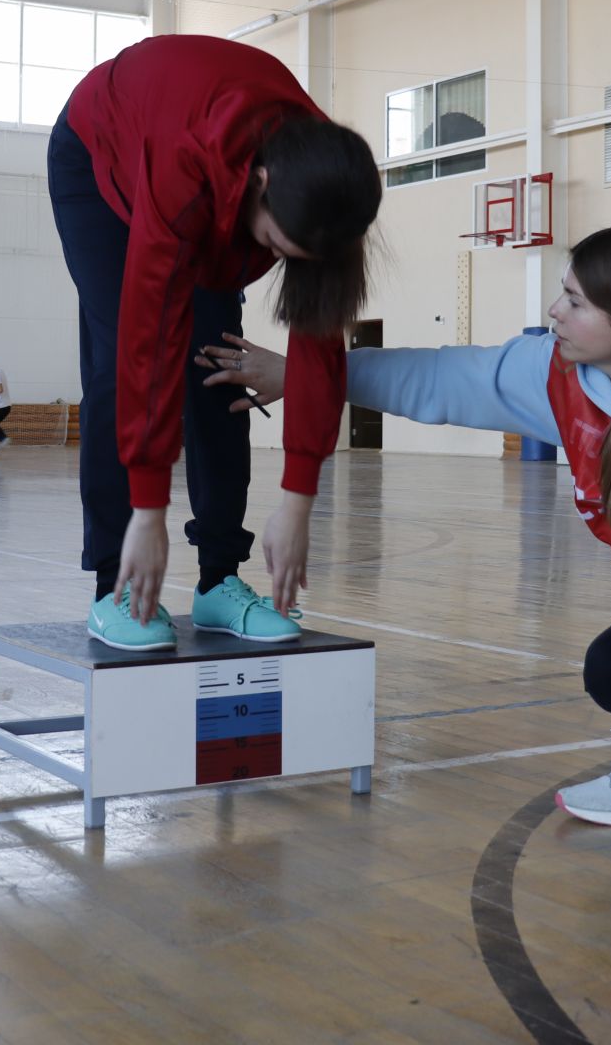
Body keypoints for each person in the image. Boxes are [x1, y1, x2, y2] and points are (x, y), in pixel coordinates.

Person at [199, 221, 611, 826]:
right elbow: (439, 380)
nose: (554, 310)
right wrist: (306, 376)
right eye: (562, 291)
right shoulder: (560, 377)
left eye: (576, 301)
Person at [49, 34, 382, 652]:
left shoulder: (327, 189)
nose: (280, 263)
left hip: (194, 153)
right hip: (99, 157)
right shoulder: (187, 178)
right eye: (278, 248)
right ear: (257, 184)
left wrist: (298, 501)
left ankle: (219, 580)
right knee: (119, 359)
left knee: (220, 365)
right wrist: (149, 512)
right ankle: (113, 588)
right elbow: (148, 346)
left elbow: (319, 348)